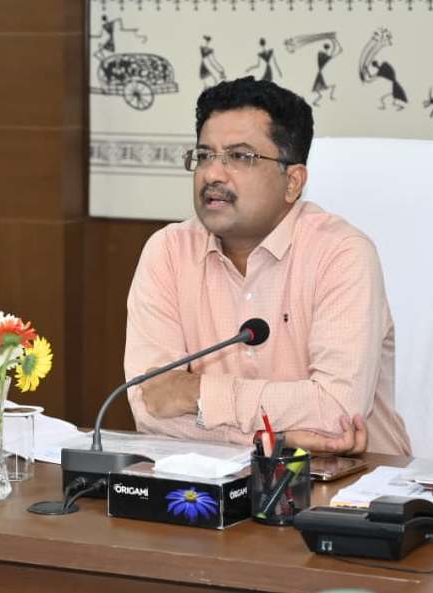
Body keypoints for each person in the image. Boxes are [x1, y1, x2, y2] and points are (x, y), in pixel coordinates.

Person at [124, 77, 411, 456]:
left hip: (354, 482)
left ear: (293, 182)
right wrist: (274, 441)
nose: (212, 174)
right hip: (216, 481)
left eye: (240, 157)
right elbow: (148, 406)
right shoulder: (167, 252)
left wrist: (196, 393)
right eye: (205, 155)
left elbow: (336, 412)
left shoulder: (342, 254)